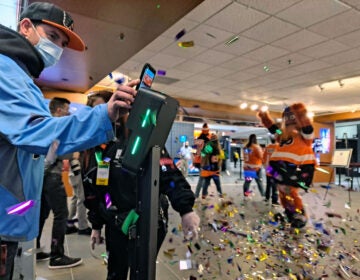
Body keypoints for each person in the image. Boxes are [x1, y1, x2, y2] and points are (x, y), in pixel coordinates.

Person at [0, 2, 138, 279]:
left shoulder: (21, 75)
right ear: (26, 27)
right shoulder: (5, 70)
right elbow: (36, 133)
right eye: (52, 37)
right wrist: (104, 115)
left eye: (61, 43)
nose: (57, 49)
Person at [84, 112, 200, 280]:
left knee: (142, 272)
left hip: (147, 221)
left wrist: (186, 209)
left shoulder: (143, 138)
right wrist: (96, 225)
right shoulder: (96, 147)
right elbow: (95, 191)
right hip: (115, 223)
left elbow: (168, 173)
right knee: (116, 271)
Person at [36, 97, 85, 268]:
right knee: (61, 214)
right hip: (52, 176)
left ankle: (36, 250)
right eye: (66, 109)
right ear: (58, 111)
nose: (68, 112)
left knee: (42, 214)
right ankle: (56, 256)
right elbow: (53, 154)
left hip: (42, 177)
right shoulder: (57, 127)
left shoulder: (45, 124)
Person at [257, 103, 317, 228]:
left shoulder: (304, 136)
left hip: (296, 168)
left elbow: (307, 127)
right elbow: (273, 128)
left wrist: (300, 113)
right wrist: (265, 118)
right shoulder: (282, 135)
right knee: (282, 192)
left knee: (291, 192)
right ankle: (289, 212)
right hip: (280, 168)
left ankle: (299, 214)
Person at [66, 151, 92, 236]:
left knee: (75, 197)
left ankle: (69, 223)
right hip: (77, 170)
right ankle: (82, 227)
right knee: (82, 199)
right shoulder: (78, 143)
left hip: (72, 171)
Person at [200, 134, 223, 199]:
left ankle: (203, 196)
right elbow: (217, 158)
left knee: (206, 183)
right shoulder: (216, 146)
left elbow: (203, 154)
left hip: (207, 168)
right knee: (217, 183)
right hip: (214, 168)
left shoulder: (208, 145)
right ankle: (220, 195)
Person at [194, 123, 211, 198]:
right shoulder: (206, 140)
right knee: (202, 179)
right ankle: (197, 195)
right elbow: (208, 151)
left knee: (203, 178)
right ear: (206, 131)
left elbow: (196, 150)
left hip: (198, 162)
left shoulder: (199, 138)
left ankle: (204, 193)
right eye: (207, 130)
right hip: (204, 162)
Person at [262, 136, 279, 206]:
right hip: (275, 169)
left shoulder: (268, 147)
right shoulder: (278, 147)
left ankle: (267, 197)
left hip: (268, 168)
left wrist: (266, 167)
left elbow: (264, 158)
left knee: (268, 184)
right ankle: (274, 201)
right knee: (275, 185)